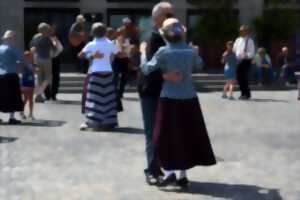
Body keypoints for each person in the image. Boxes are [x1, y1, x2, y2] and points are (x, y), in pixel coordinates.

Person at [140, 18, 216, 188]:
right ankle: (182, 175)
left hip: (169, 99)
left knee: (164, 136)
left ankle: (169, 173)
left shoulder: (162, 52)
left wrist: (143, 53)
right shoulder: (190, 51)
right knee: (185, 135)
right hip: (189, 98)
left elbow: (146, 69)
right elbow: (200, 65)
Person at [138, 2, 180, 185]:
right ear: (158, 18)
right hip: (151, 90)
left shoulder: (172, 36)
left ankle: (168, 169)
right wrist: (166, 75)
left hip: (168, 90)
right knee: (152, 131)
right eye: (168, 14)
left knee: (167, 131)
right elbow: (147, 67)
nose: (172, 16)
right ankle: (153, 170)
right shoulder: (153, 36)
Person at [78, 22, 119, 131]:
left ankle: (93, 121)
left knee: (94, 98)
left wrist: (92, 56)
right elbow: (119, 53)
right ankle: (108, 121)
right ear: (105, 32)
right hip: (108, 73)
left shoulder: (91, 44)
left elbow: (80, 55)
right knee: (108, 98)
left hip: (95, 73)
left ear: (92, 33)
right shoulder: (110, 43)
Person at [0, 31, 30, 124]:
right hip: (10, 74)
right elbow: (22, 59)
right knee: (13, 95)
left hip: (0, 75)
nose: (15, 39)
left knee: (1, 95)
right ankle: (11, 118)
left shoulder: (0, 48)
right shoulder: (12, 48)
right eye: (14, 38)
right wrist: (31, 67)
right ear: (11, 38)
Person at [30, 22, 57, 103]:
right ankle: (38, 94)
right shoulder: (48, 38)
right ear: (46, 30)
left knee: (39, 78)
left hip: (37, 58)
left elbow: (31, 46)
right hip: (46, 59)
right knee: (48, 78)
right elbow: (54, 48)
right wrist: (55, 42)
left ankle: (38, 95)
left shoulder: (35, 37)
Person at [233, 25, 255, 100]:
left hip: (245, 61)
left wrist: (246, 55)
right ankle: (243, 93)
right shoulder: (237, 40)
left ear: (247, 31)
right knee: (239, 78)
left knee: (244, 77)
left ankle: (247, 94)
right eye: (240, 30)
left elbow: (252, 53)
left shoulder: (249, 40)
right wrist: (235, 52)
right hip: (238, 60)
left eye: (243, 30)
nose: (241, 32)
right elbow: (234, 49)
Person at [45, 25, 64, 101]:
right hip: (46, 60)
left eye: (52, 30)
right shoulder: (43, 39)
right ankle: (47, 94)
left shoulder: (55, 39)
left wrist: (55, 44)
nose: (51, 32)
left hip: (55, 59)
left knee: (56, 77)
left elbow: (60, 49)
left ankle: (53, 94)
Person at [20, 51, 36, 120]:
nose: (30, 58)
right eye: (28, 57)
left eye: (31, 57)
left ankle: (31, 114)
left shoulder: (33, 64)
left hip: (31, 83)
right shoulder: (24, 65)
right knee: (25, 98)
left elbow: (35, 71)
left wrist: (35, 70)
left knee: (31, 99)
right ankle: (22, 112)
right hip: (24, 83)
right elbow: (25, 73)